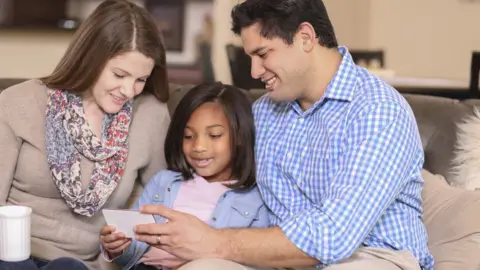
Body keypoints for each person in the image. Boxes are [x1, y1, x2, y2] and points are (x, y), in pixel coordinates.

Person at [132, 1, 435, 270]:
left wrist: (213, 241)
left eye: (262, 53)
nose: (253, 71)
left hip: (370, 257)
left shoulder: (378, 110)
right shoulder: (264, 112)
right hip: (278, 260)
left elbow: (334, 236)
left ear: (305, 38)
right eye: (249, 56)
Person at [0, 0, 170, 269]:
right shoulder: (17, 103)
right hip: (12, 253)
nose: (128, 91)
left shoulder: (150, 115)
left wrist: (122, 248)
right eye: (119, 74)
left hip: (81, 263)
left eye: (141, 79)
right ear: (91, 58)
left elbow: (158, 208)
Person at [99, 82, 269, 270]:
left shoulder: (255, 197)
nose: (198, 147)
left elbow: (255, 260)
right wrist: (118, 248)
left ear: (240, 137)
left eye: (214, 135)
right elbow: (134, 248)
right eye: (188, 136)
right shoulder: (163, 182)